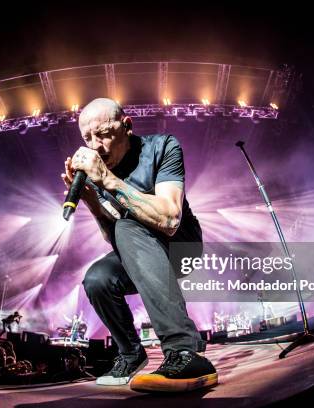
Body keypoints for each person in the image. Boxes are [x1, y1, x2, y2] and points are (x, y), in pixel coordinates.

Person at [61, 98, 217, 392]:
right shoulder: (99, 175)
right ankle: (131, 354)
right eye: (87, 138)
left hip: (181, 246)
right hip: (140, 249)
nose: (95, 146)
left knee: (129, 223)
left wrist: (108, 181)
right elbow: (114, 239)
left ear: (127, 126)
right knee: (97, 279)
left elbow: (170, 218)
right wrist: (94, 203)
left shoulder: (163, 147)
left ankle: (185, 350)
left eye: (103, 133)